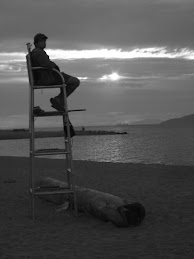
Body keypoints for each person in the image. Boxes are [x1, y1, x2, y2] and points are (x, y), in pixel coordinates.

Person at [30, 33, 80, 111]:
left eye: (44, 41)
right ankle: (59, 100)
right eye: (41, 41)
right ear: (36, 43)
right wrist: (55, 67)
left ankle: (60, 100)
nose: (44, 42)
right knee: (75, 81)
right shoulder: (37, 52)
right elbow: (47, 64)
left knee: (72, 81)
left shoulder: (38, 52)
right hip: (49, 77)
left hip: (50, 75)